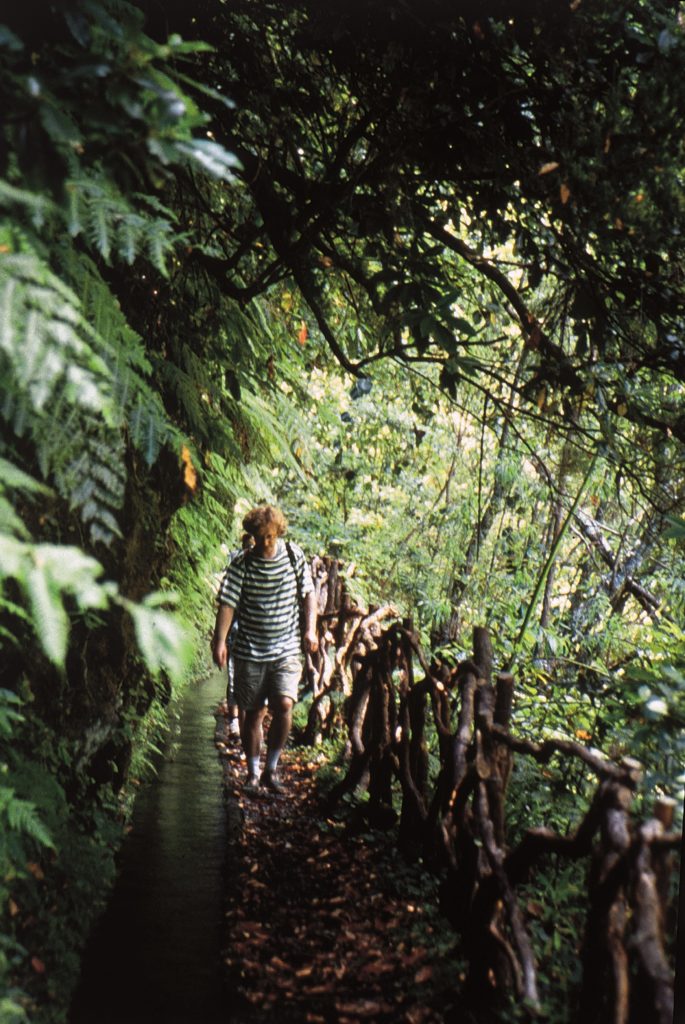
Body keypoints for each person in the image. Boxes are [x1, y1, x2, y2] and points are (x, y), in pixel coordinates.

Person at [212, 505, 318, 794]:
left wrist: (311, 629)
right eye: (259, 538)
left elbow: (309, 595)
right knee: (254, 713)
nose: (265, 543)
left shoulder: (294, 556)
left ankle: (272, 768)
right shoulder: (242, 565)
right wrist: (219, 640)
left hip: (285, 647)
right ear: (252, 536)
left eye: (270, 537)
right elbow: (228, 604)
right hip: (250, 650)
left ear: (278, 533)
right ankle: (254, 773)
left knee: (284, 704)